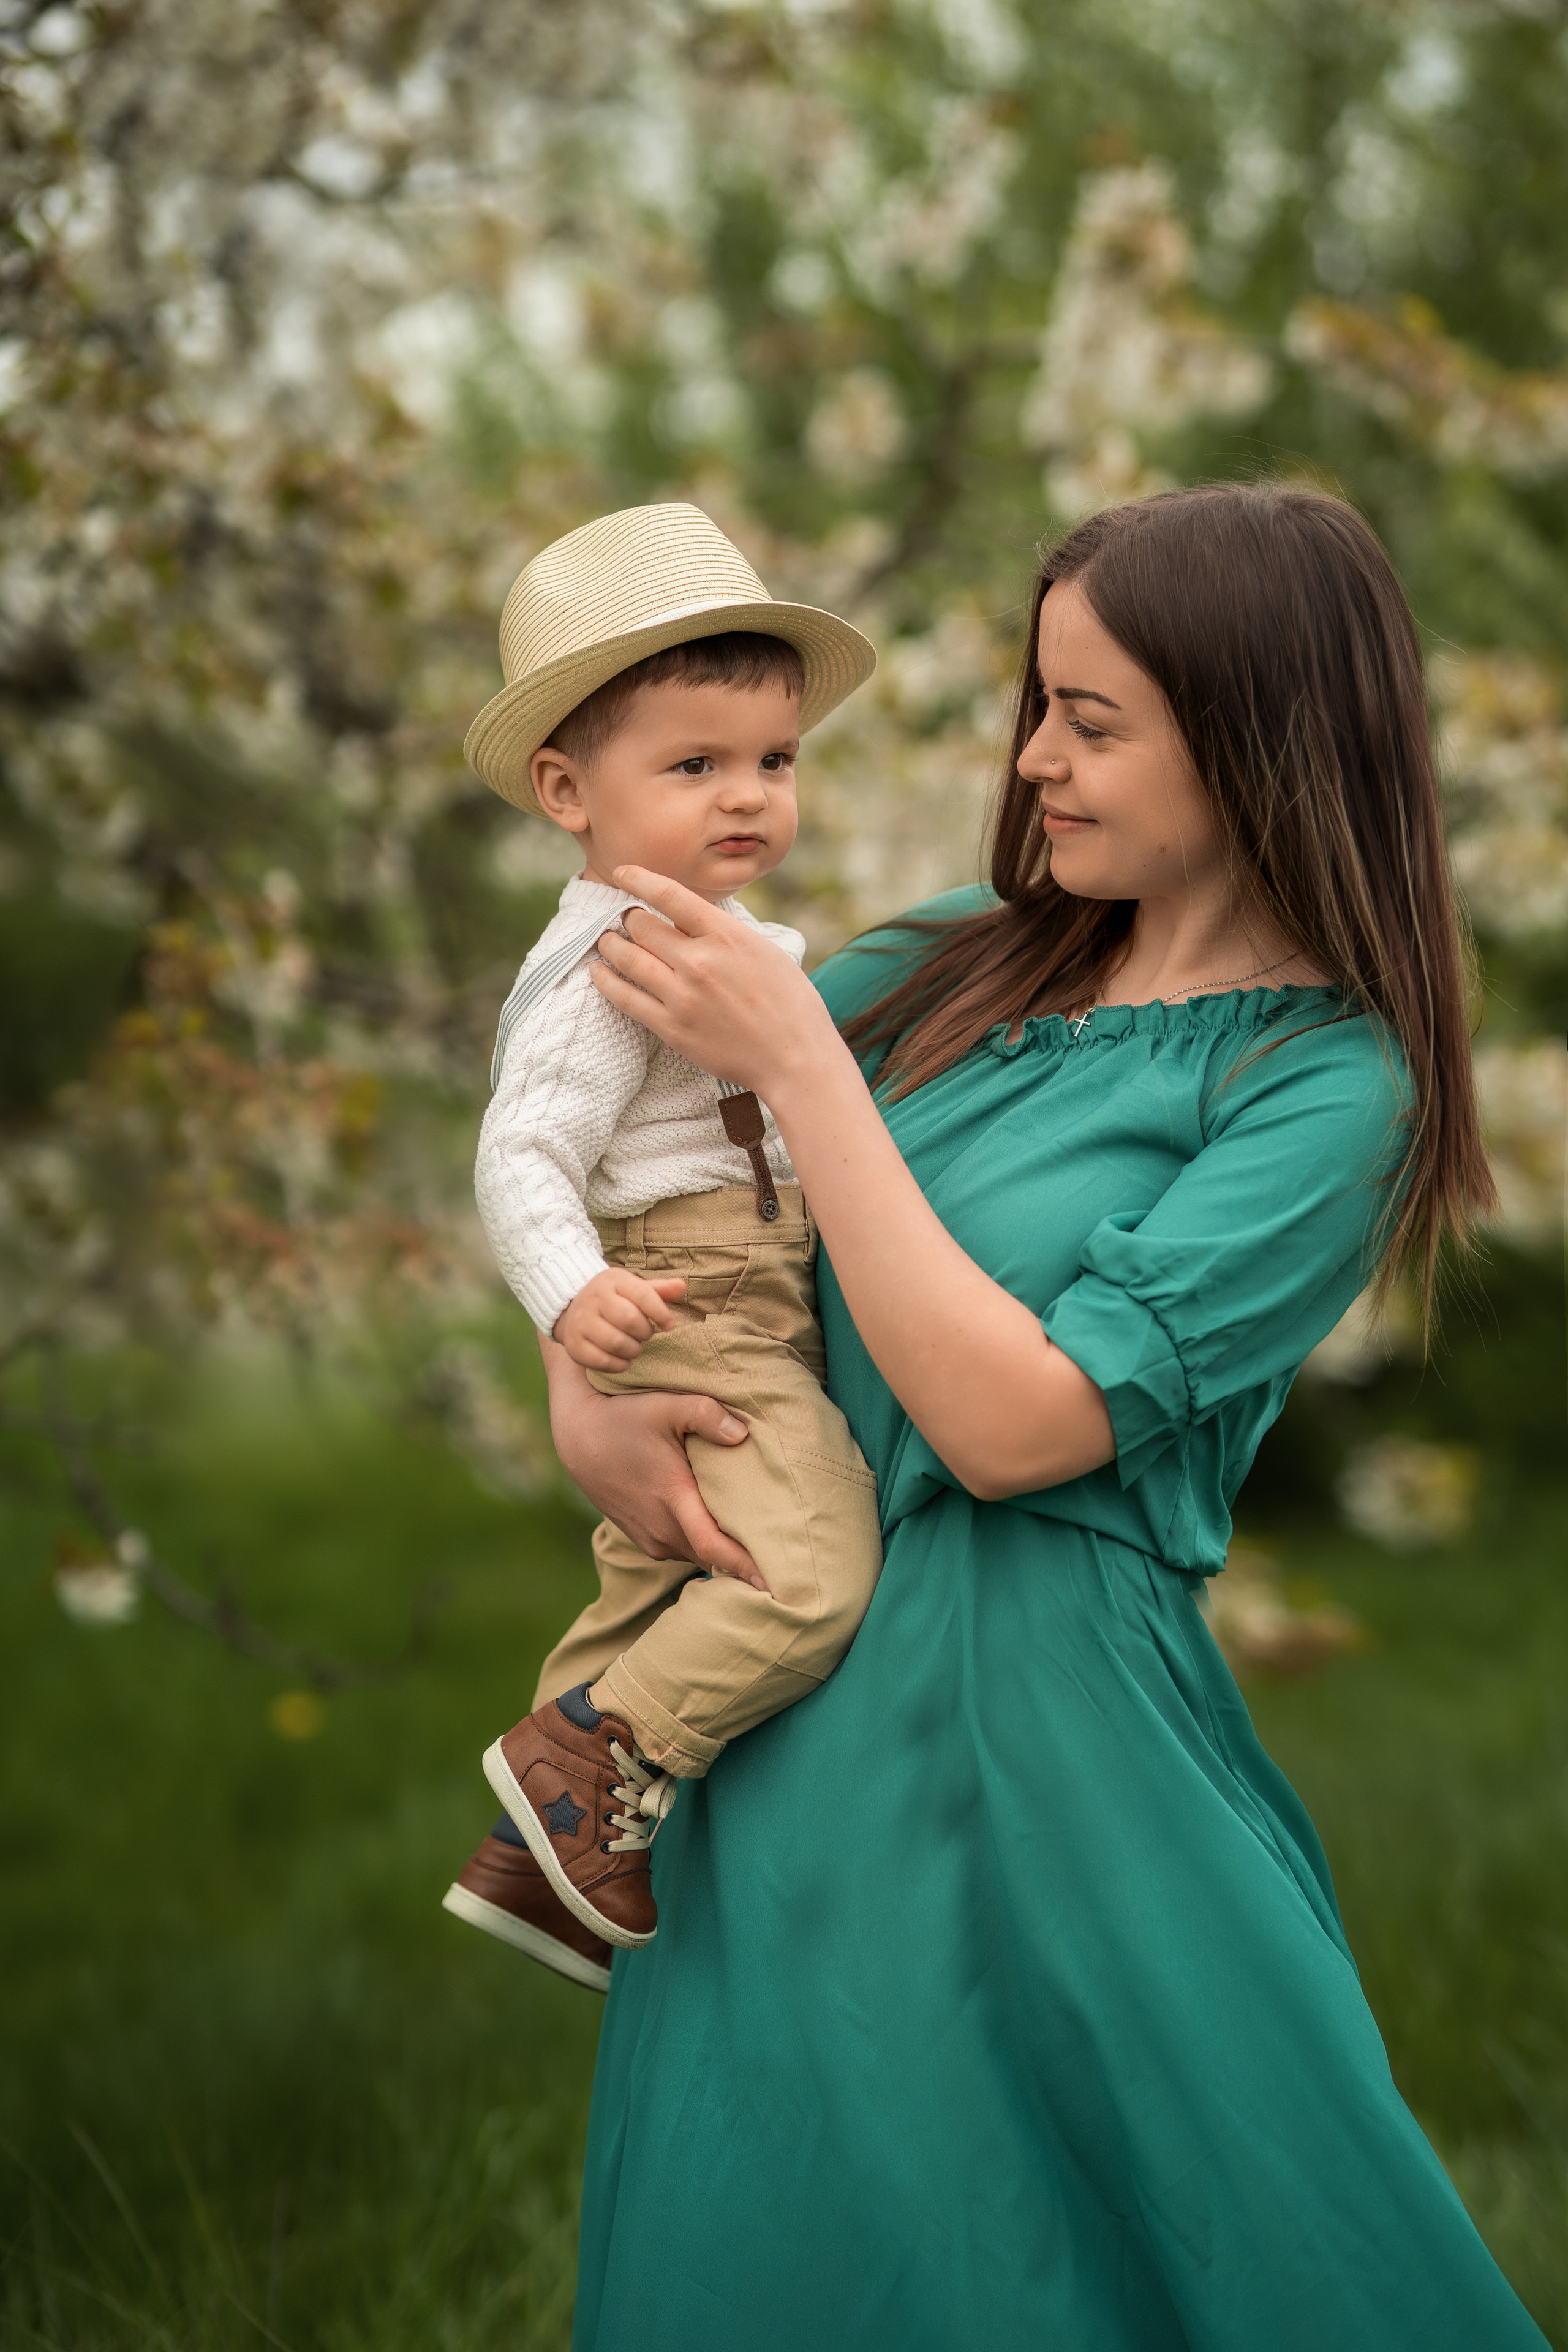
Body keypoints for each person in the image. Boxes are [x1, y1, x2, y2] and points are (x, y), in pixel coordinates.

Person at [546, 484, 1548, 2347]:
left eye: (1094, 720)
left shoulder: (1329, 1088)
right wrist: (582, 1387)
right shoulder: (952, 954)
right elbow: (634, 1143)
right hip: (780, 1688)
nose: (1035, 760)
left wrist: (806, 1079)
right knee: (774, 2234)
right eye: (1039, 704)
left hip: (1051, 1745)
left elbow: (1017, 1426)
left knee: (1198, 2238)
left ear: (1259, 733)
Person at [441, 502, 884, 1996]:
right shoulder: (615, 952)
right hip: (689, 1298)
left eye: (772, 760)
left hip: (715, 1281)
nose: (745, 796)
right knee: (807, 1570)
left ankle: (541, 1861)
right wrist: (576, 1303)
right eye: (691, 765)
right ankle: (591, 1761)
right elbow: (521, 1151)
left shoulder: (706, 927)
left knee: (657, 1577)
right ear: (567, 789)